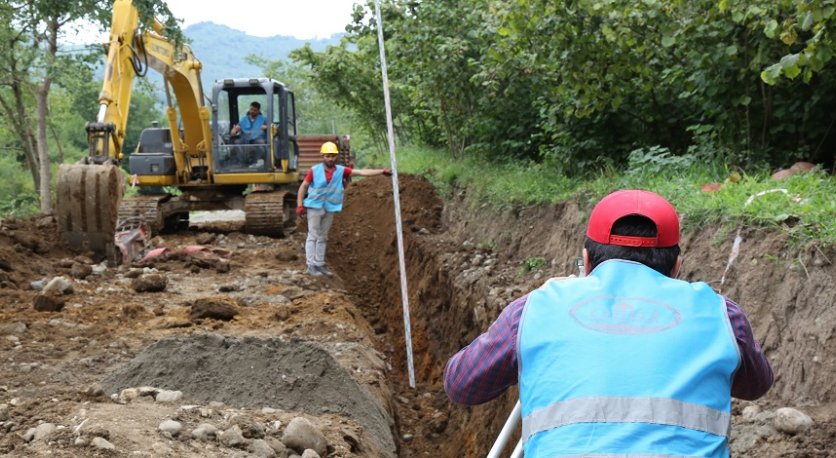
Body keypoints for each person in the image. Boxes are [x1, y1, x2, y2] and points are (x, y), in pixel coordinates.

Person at [444, 189, 773, 458]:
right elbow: (756, 385)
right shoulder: (721, 314)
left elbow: (462, 384)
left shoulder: (536, 308)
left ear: (586, 261)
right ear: (677, 266)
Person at [296, 141, 392, 277]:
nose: (330, 159)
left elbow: (362, 172)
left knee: (323, 236)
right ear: (323, 156)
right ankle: (311, 265)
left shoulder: (341, 171)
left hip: (329, 207)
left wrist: (382, 171)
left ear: (336, 157)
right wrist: (300, 205)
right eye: (328, 156)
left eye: (333, 156)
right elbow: (303, 187)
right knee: (313, 235)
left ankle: (320, 263)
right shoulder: (314, 170)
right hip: (315, 206)